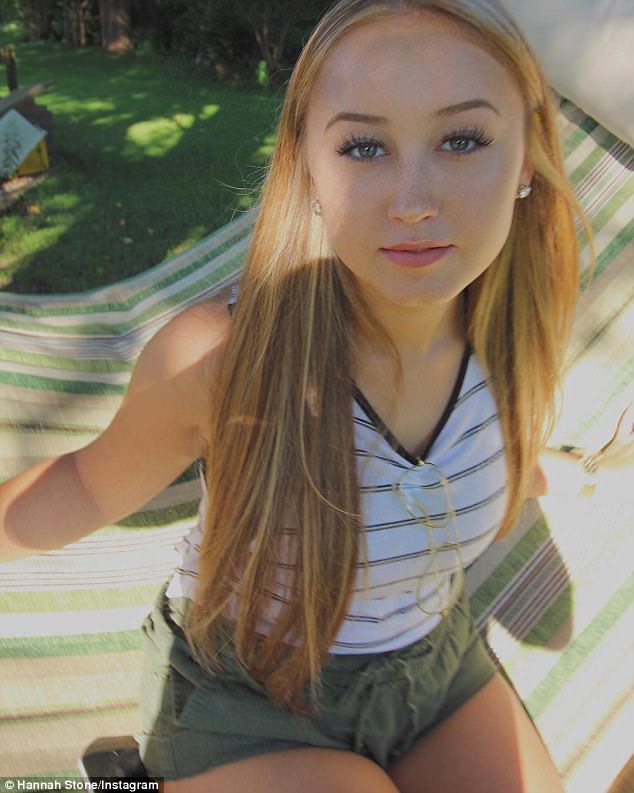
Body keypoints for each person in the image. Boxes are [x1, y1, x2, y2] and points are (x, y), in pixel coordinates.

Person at [1, 0, 633, 790]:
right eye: (364, 146)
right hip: (253, 694)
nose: (412, 199)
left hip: (433, 665)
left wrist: (547, 469)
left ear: (529, 160)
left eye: (462, 139)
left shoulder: (510, 332)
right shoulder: (224, 357)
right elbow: (87, 483)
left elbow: (458, 465)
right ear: (307, 169)